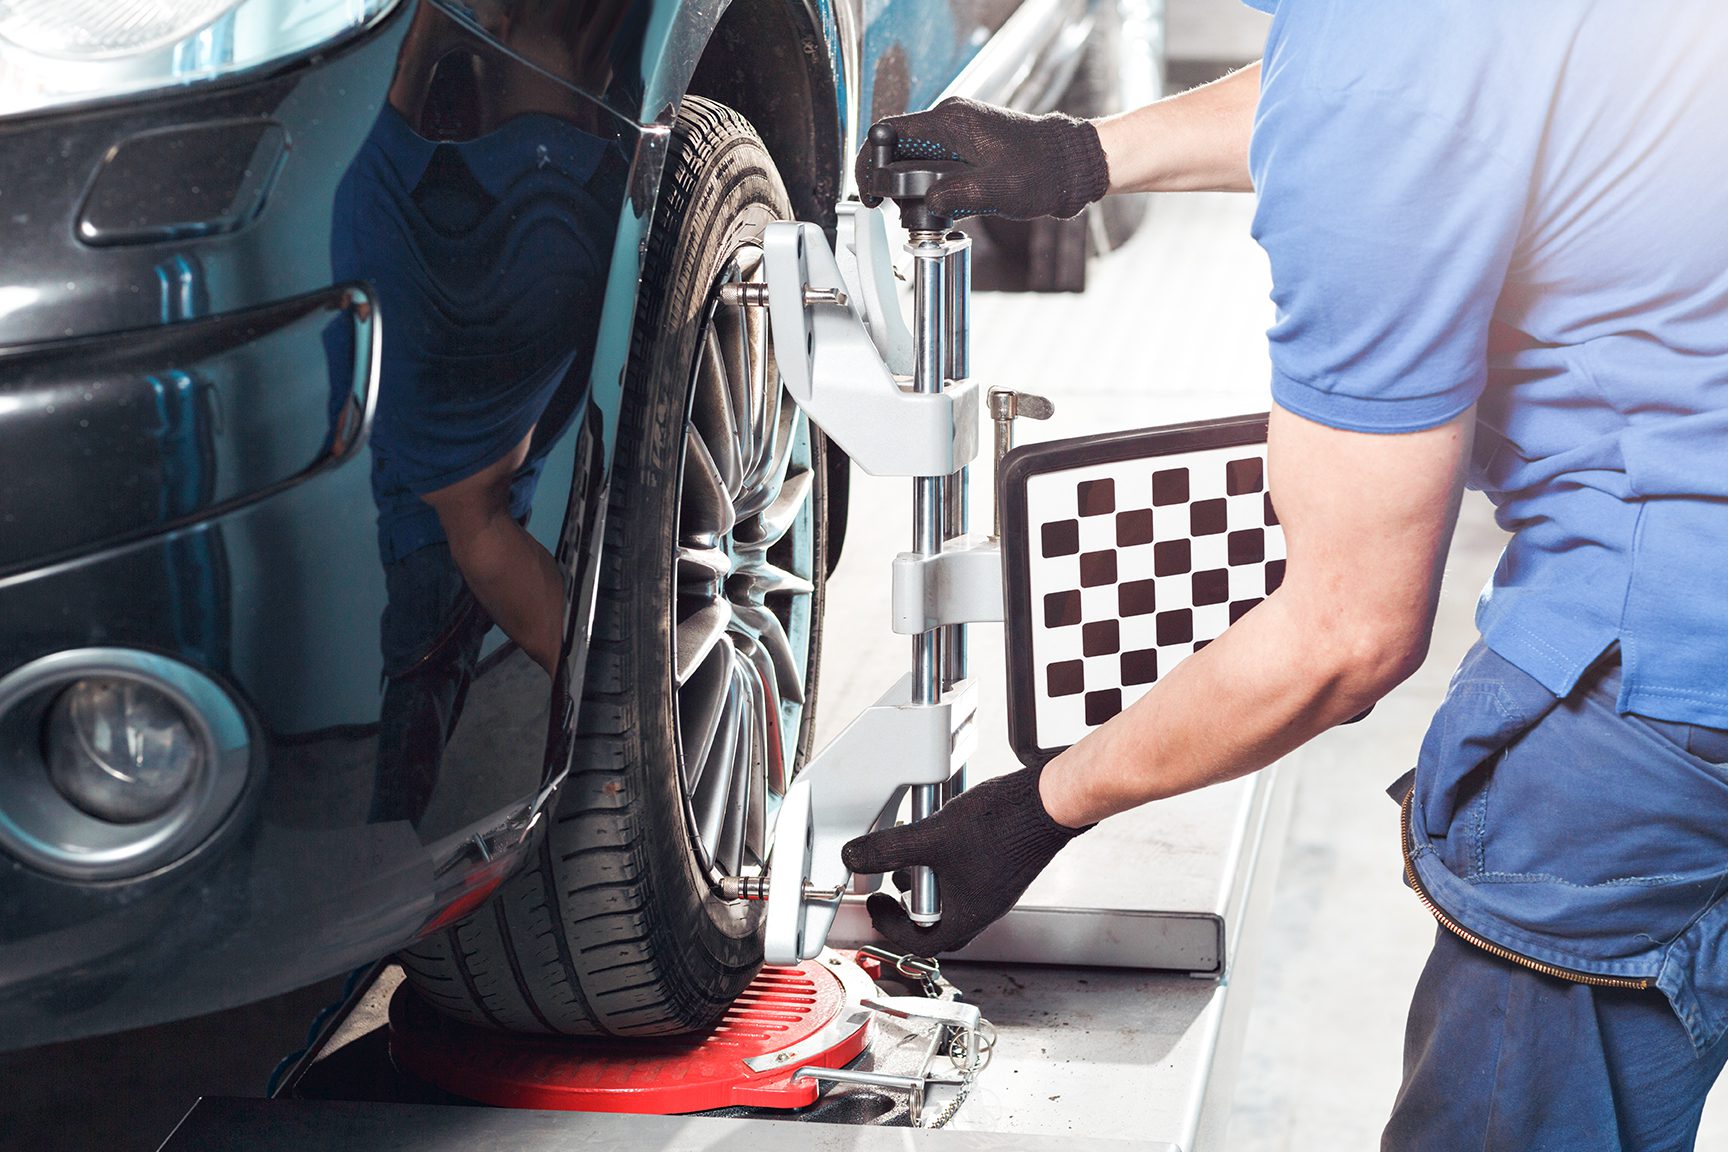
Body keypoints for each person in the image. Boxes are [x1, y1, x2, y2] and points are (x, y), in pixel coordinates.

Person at [841, 3, 1728, 1147]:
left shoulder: (1376, 74)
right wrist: (1086, 154)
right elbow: (1431, 88)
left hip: (1658, 689)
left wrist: (1038, 808)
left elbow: (1348, 633)